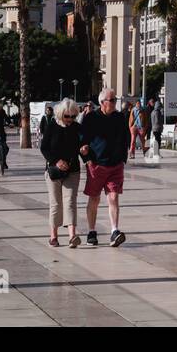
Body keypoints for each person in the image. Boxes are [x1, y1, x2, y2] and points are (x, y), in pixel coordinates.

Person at [80, 88, 129, 246]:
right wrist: (87, 158)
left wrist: (123, 158)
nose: (115, 103)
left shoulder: (120, 117)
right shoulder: (91, 118)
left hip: (115, 165)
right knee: (94, 199)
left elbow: (126, 137)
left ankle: (114, 231)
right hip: (96, 165)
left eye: (115, 100)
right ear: (102, 103)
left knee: (113, 197)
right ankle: (91, 231)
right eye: (112, 100)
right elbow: (82, 140)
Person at [41, 98, 83, 248]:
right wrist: (56, 161)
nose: (70, 119)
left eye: (73, 116)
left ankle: (72, 235)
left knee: (70, 201)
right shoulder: (52, 126)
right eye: (67, 116)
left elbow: (82, 146)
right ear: (60, 114)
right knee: (56, 204)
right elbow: (44, 148)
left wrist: (85, 152)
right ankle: (53, 235)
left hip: (72, 170)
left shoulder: (77, 128)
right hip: (54, 171)